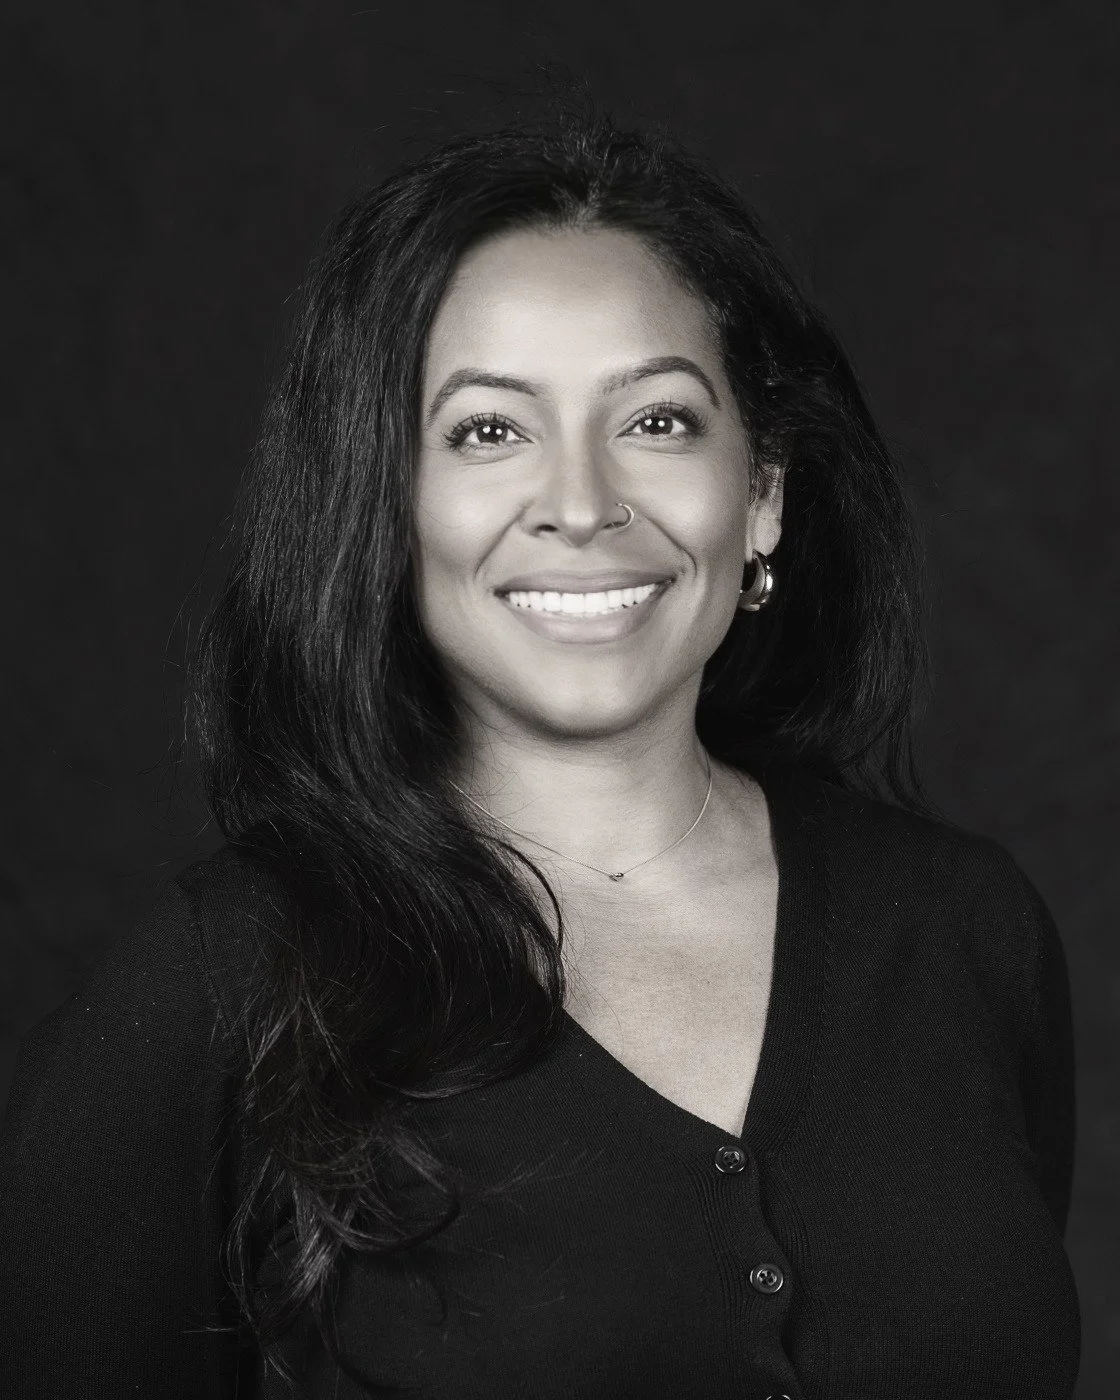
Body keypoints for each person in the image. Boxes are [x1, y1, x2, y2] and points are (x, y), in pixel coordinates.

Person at [0, 101, 1079, 1399]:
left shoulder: (966, 931)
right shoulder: (222, 981)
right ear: (383, 509)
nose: (580, 505)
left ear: (766, 492)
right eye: (488, 431)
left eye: (660, 421)